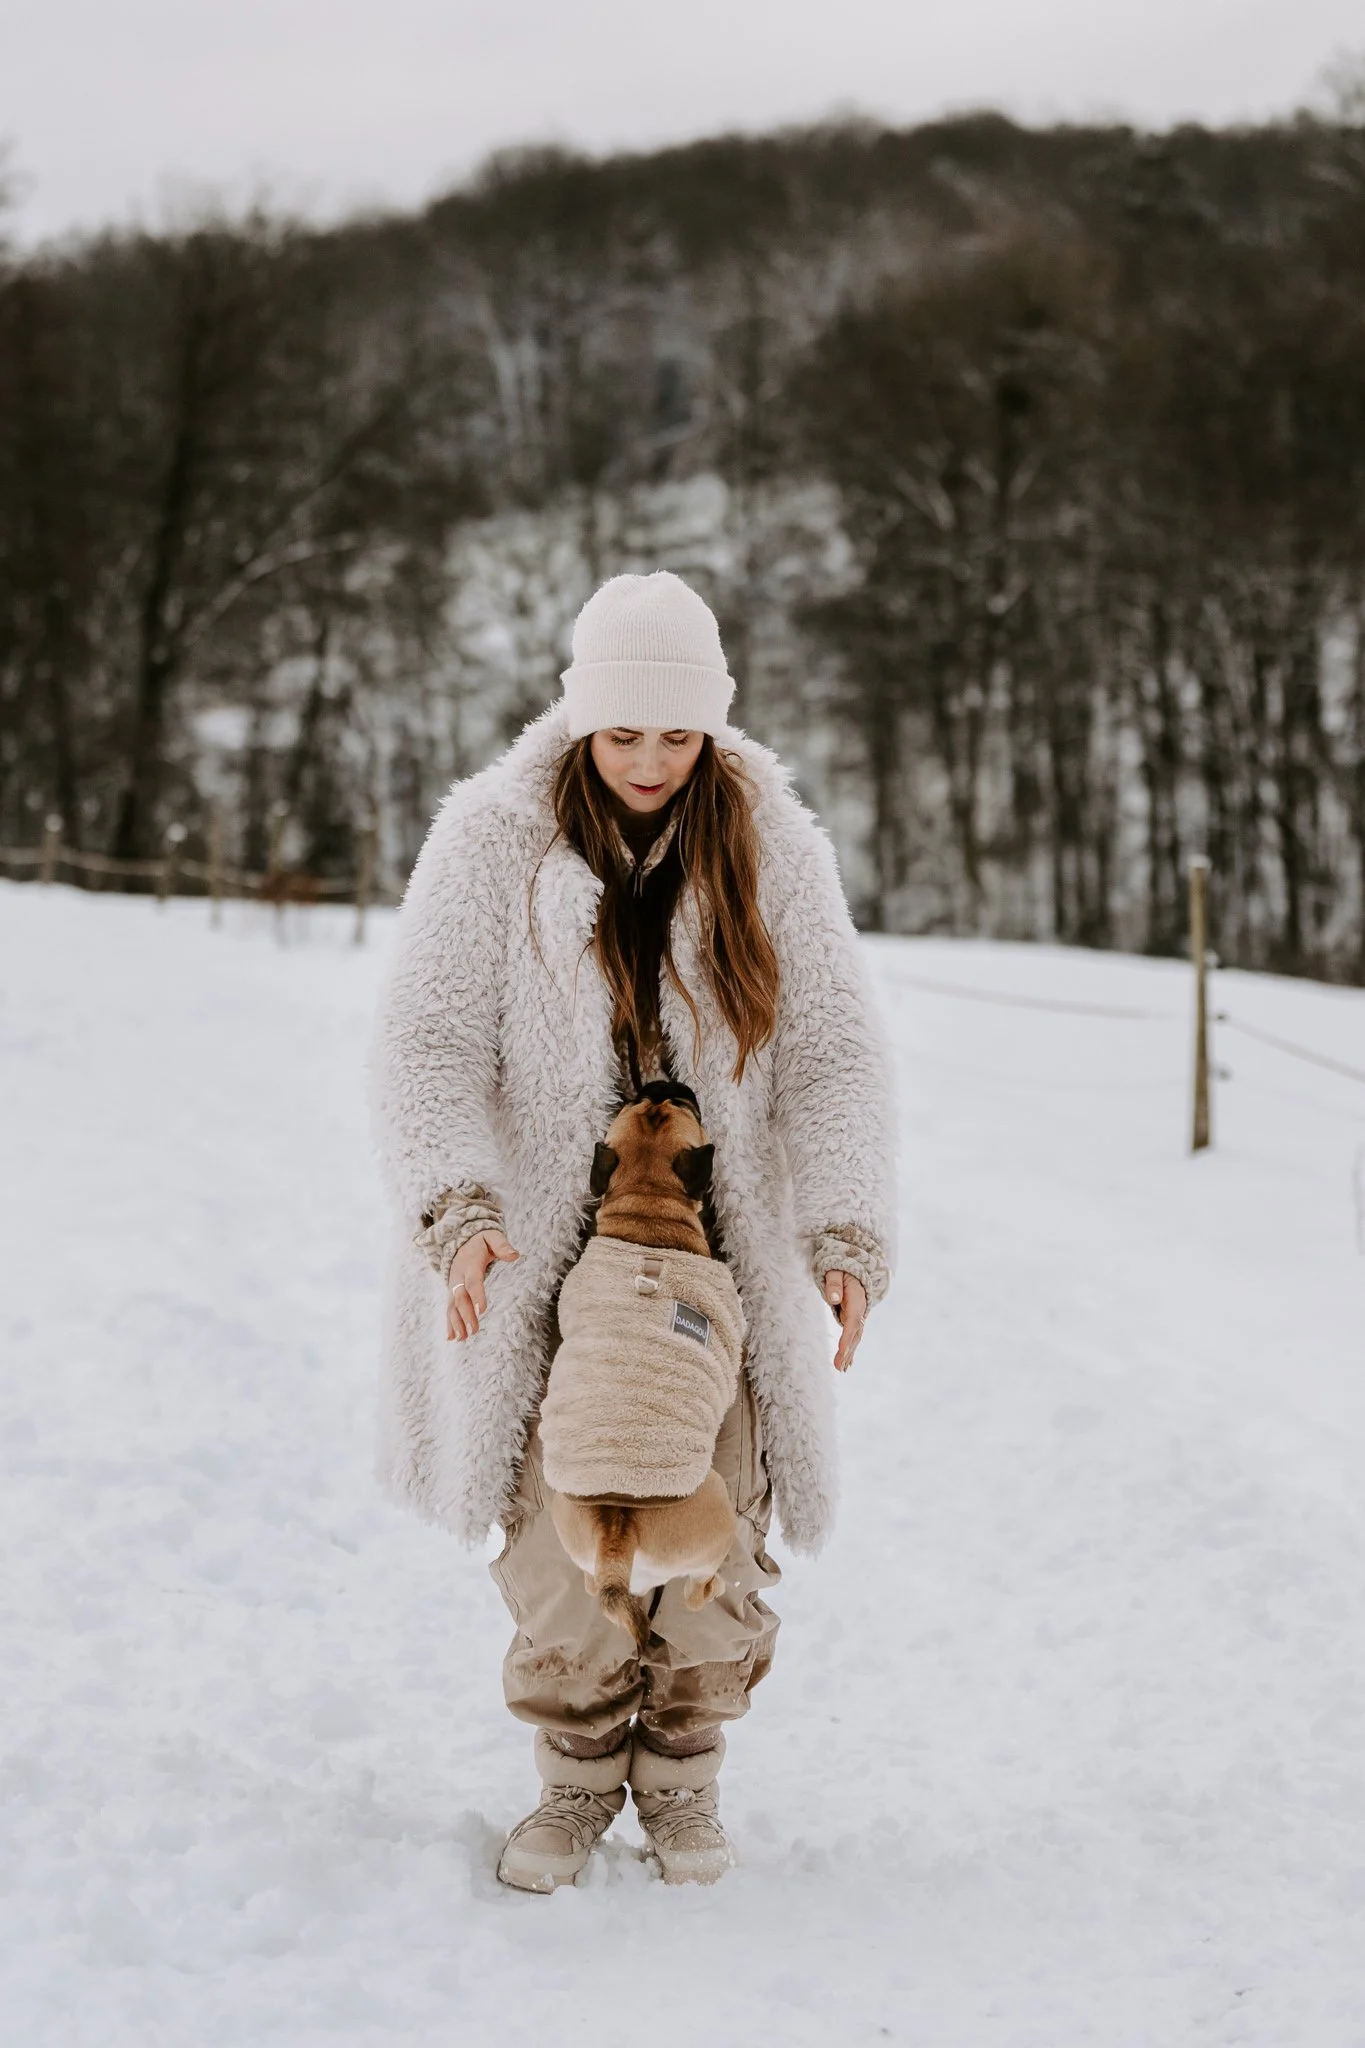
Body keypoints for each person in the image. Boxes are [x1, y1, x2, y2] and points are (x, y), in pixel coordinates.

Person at [371, 570, 896, 1890]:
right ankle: (571, 1781)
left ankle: (682, 1778)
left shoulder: (769, 837)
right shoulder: (493, 838)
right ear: (579, 721)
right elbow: (422, 1046)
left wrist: (843, 1228)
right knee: (564, 1540)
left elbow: (834, 1054)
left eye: (677, 734)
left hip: (709, 1272)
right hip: (543, 1260)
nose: (653, 761)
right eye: (624, 734)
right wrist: (461, 1211)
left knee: (707, 1533)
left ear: (712, 727)